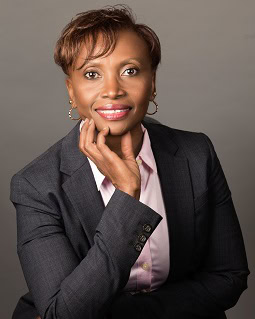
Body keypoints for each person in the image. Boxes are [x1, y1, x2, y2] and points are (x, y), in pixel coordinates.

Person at [10, 4, 249, 319]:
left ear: (152, 83)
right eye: (92, 74)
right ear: (72, 90)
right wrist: (127, 194)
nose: (112, 90)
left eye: (130, 70)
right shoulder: (36, 185)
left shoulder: (196, 154)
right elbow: (63, 314)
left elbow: (228, 277)